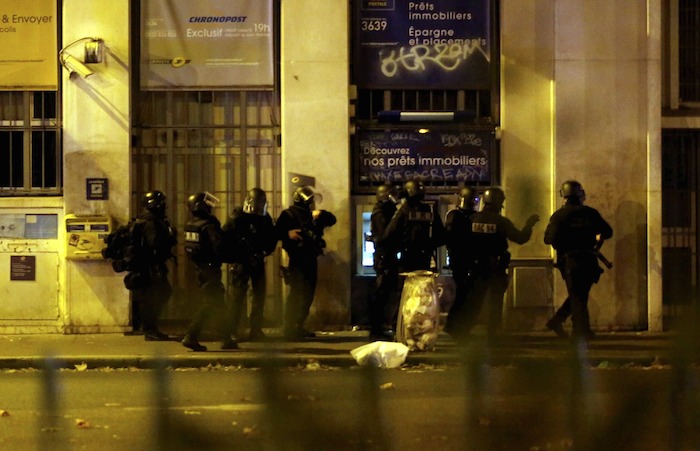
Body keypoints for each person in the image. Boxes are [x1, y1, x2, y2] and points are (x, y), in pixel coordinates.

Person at [460, 186, 540, 343]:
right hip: (496, 267)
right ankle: (493, 334)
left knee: (475, 300)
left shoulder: (473, 219)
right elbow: (520, 238)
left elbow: (463, 243)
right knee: (495, 302)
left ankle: (464, 331)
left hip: (476, 267)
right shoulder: (501, 222)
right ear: (498, 203)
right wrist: (529, 225)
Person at [544, 180, 613, 344]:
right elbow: (608, 232)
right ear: (580, 194)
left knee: (577, 296)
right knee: (580, 296)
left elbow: (549, 239)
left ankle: (573, 328)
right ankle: (580, 331)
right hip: (588, 260)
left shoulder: (559, 216)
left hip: (570, 261)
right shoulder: (590, 213)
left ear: (563, 196)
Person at [276, 185, 336, 340]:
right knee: (296, 295)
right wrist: (287, 234)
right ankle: (290, 328)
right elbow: (275, 233)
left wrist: (320, 213)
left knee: (308, 294)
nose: (311, 203)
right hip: (295, 260)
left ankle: (298, 326)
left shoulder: (311, 215)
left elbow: (332, 219)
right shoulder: (288, 214)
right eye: (309, 201)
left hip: (310, 259)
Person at [181, 192, 238, 351]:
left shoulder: (191, 224)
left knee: (218, 304)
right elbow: (219, 247)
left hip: (200, 268)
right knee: (210, 304)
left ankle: (226, 339)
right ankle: (191, 336)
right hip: (210, 269)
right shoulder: (208, 225)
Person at [221, 188, 277, 342]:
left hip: (257, 260)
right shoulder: (238, 215)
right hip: (241, 262)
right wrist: (236, 252)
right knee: (236, 298)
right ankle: (232, 330)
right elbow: (225, 236)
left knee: (259, 297)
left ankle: (256, 330)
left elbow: (272, 238)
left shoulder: (265, 218)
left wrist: (265, 251)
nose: (259, 207)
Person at [130, 190, 177, 341]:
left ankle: (149, 327)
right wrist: (170, 237)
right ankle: (149, 329)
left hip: (149, 265)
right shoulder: (152, 223)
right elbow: (155, 245)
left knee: (154, 296)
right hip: (151, 266)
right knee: (156, 296)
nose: (165, 206)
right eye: (162, 203)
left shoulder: (152, 220)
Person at [383, 179, 446, 274]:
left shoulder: (404, 211)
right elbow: (441, 237)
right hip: (426, 258)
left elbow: (389, 234)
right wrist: (428, 245)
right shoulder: (430, 210)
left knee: (407, 287)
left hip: (406, 258)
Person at [443, 186, 478, 342]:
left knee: (467, 295)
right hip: (461, 260)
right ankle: (454, 326)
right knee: (463, 294)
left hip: (470, 260)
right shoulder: (455, 215)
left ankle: (457, 326)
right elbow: (450, 238)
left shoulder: (472, 216)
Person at [368, 184, 401, 341]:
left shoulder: (387, 211)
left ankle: (380, 327)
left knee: (387, 293)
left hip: (388, 256)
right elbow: (384, 236)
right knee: (381, 293)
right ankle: (376, 329)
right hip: (384, 257)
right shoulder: (380, 213)